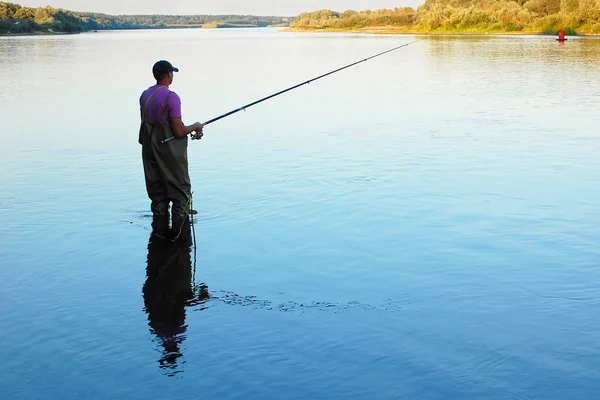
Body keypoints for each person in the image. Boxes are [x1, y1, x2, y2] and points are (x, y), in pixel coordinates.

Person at [139, 60, 203, 238]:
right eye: (171, 73)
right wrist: (196, 126)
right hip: (168, 150)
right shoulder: (171, 97)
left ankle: (159, 231)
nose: (172, 76)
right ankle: (180, 237)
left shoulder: (145, 95)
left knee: (157, 191)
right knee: (180, 191)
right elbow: (179, 131)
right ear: (168, 75)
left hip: (149, 149)